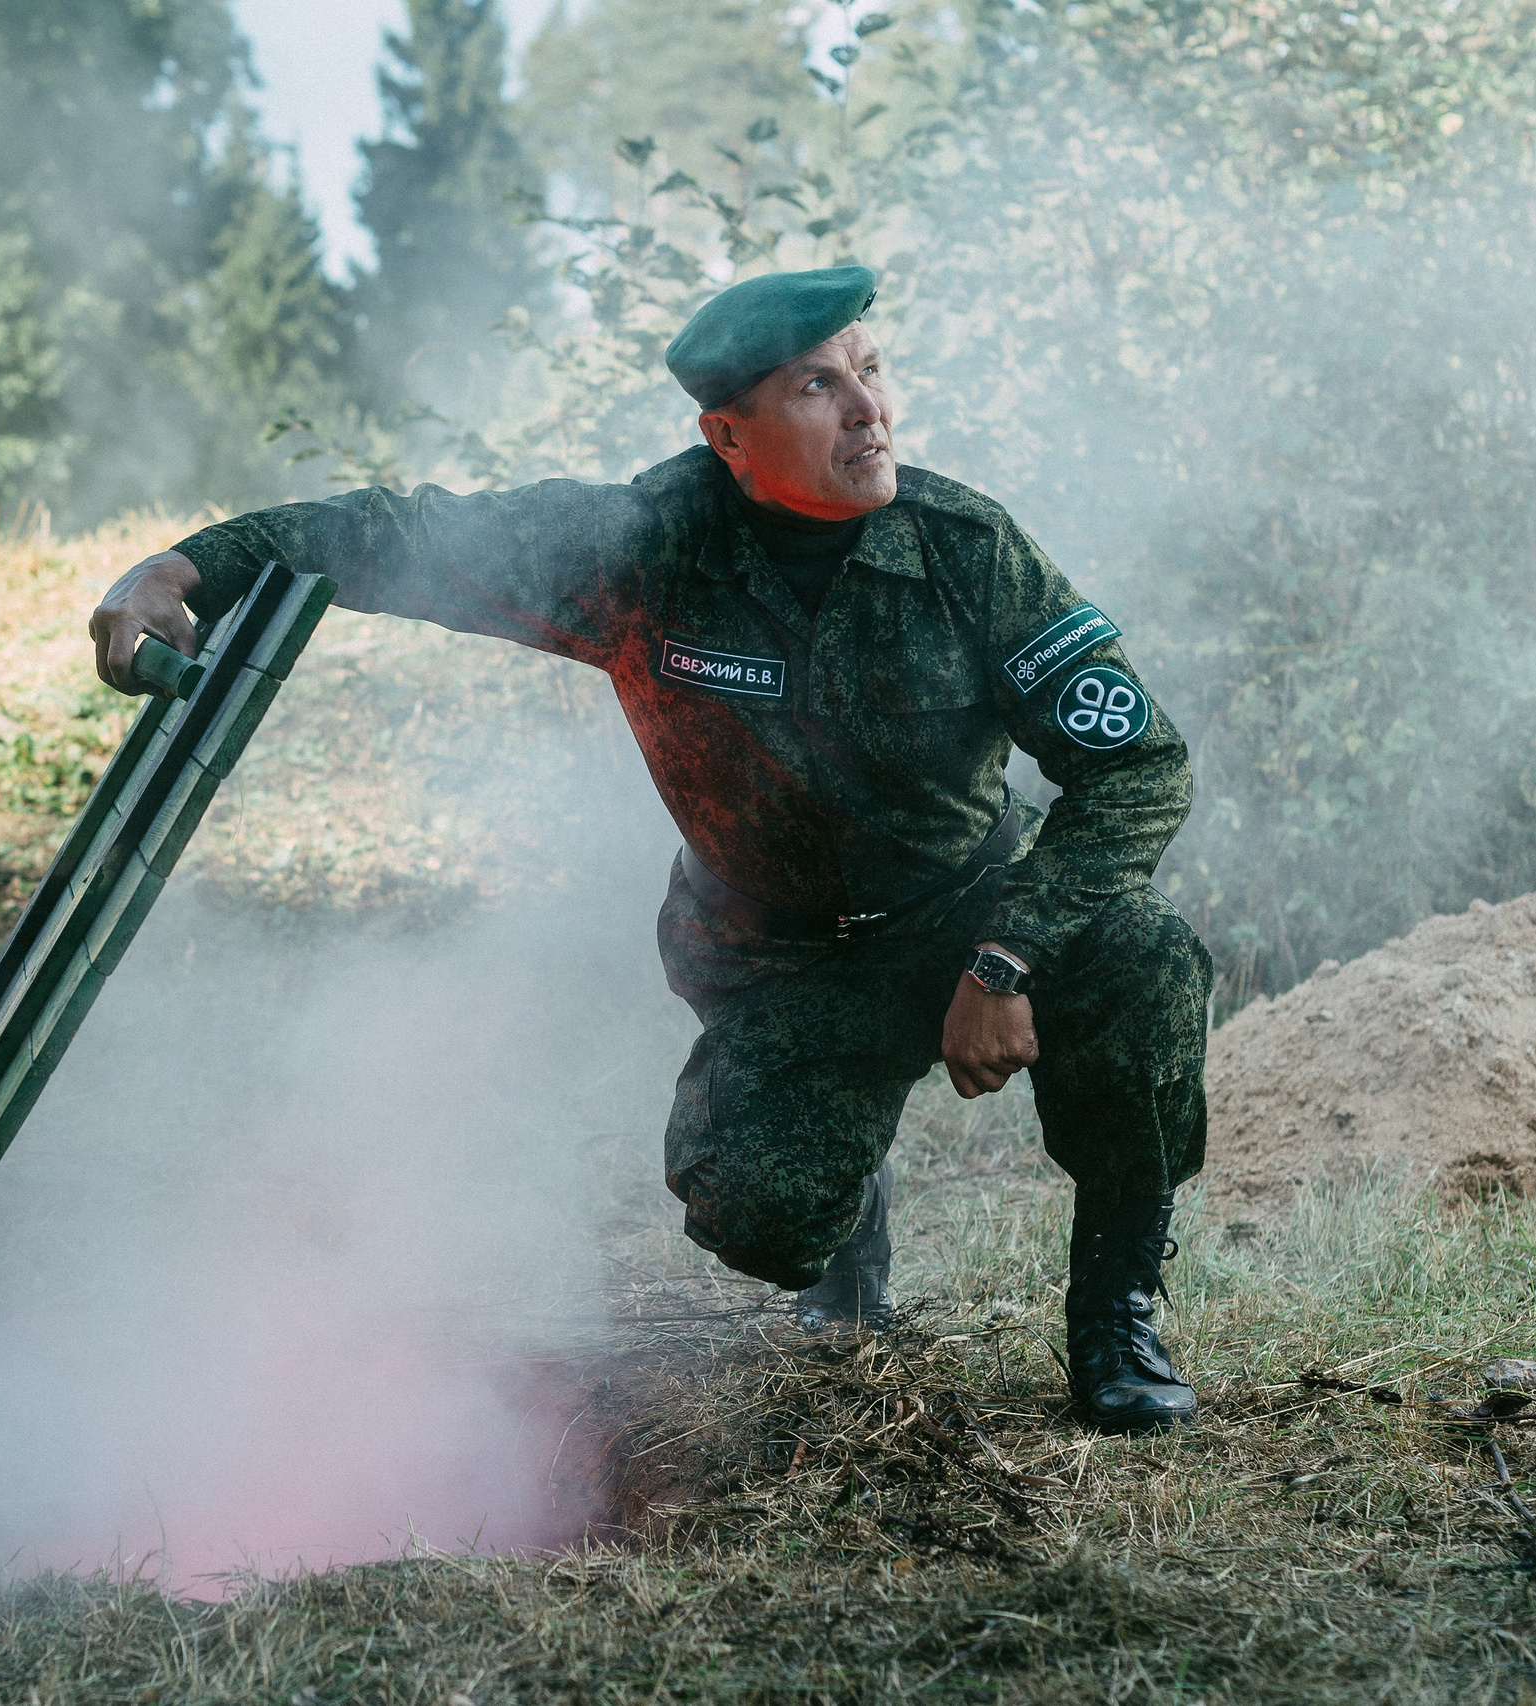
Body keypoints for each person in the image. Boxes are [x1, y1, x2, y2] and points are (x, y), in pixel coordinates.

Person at [88, 266, 1210, 1433]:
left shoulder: (965, 551)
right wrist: (180, 569)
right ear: (728, 434)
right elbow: (404, 533)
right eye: (818, 386)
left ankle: (1115, 1315)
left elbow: (1136, 764)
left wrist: (1005, 958)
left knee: (1142, 960)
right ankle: (844, 1210)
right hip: (783, 961)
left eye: (870, 370)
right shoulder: (641, 550)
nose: (868, 410)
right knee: (756, 1207)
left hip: (966, 909)